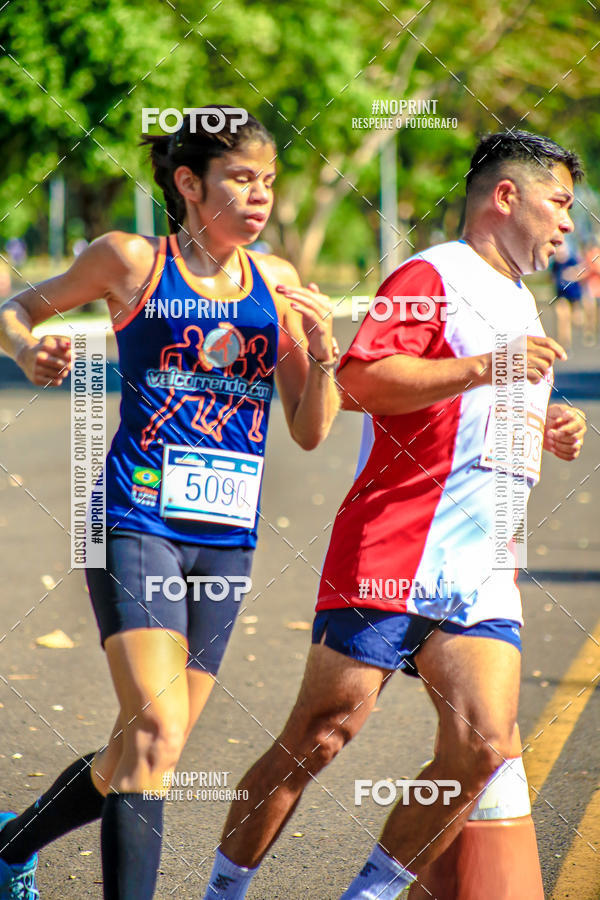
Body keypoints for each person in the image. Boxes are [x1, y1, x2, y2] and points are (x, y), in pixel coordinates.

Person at [201, 130, 588, 899]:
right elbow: (366, 379)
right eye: (560, 203)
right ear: (504, 197)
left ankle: (369, 895)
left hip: (483, 568)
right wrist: (486, 366)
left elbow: (478, 406)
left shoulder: (518, 300)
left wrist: (548, 424)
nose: (568, 224)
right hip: (397, 547)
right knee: (321, 736)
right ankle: (223, 891)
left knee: (483, 747)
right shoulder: (432, 274)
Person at [0, 107, 339, 899]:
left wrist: (323, 359)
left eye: (268, 181)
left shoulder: (278, 282)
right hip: (135, 515)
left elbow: (310, 429)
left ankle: (13, 842)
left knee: (150, 745)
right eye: (240, 179)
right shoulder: (129, 259)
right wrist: (27, 349)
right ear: (189, 183)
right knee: (154, 730)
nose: (260, 197)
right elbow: (18, 308)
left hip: (226, 536)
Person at [550, 239, 594, 348]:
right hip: (562, 294)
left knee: (577, 320)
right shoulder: (555, 264)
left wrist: (572, 274)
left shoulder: (572, 260)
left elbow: (582, 272)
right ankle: (565, 343)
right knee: (562, 317)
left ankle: (583, 324)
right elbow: (552, 277)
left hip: (574, 295)